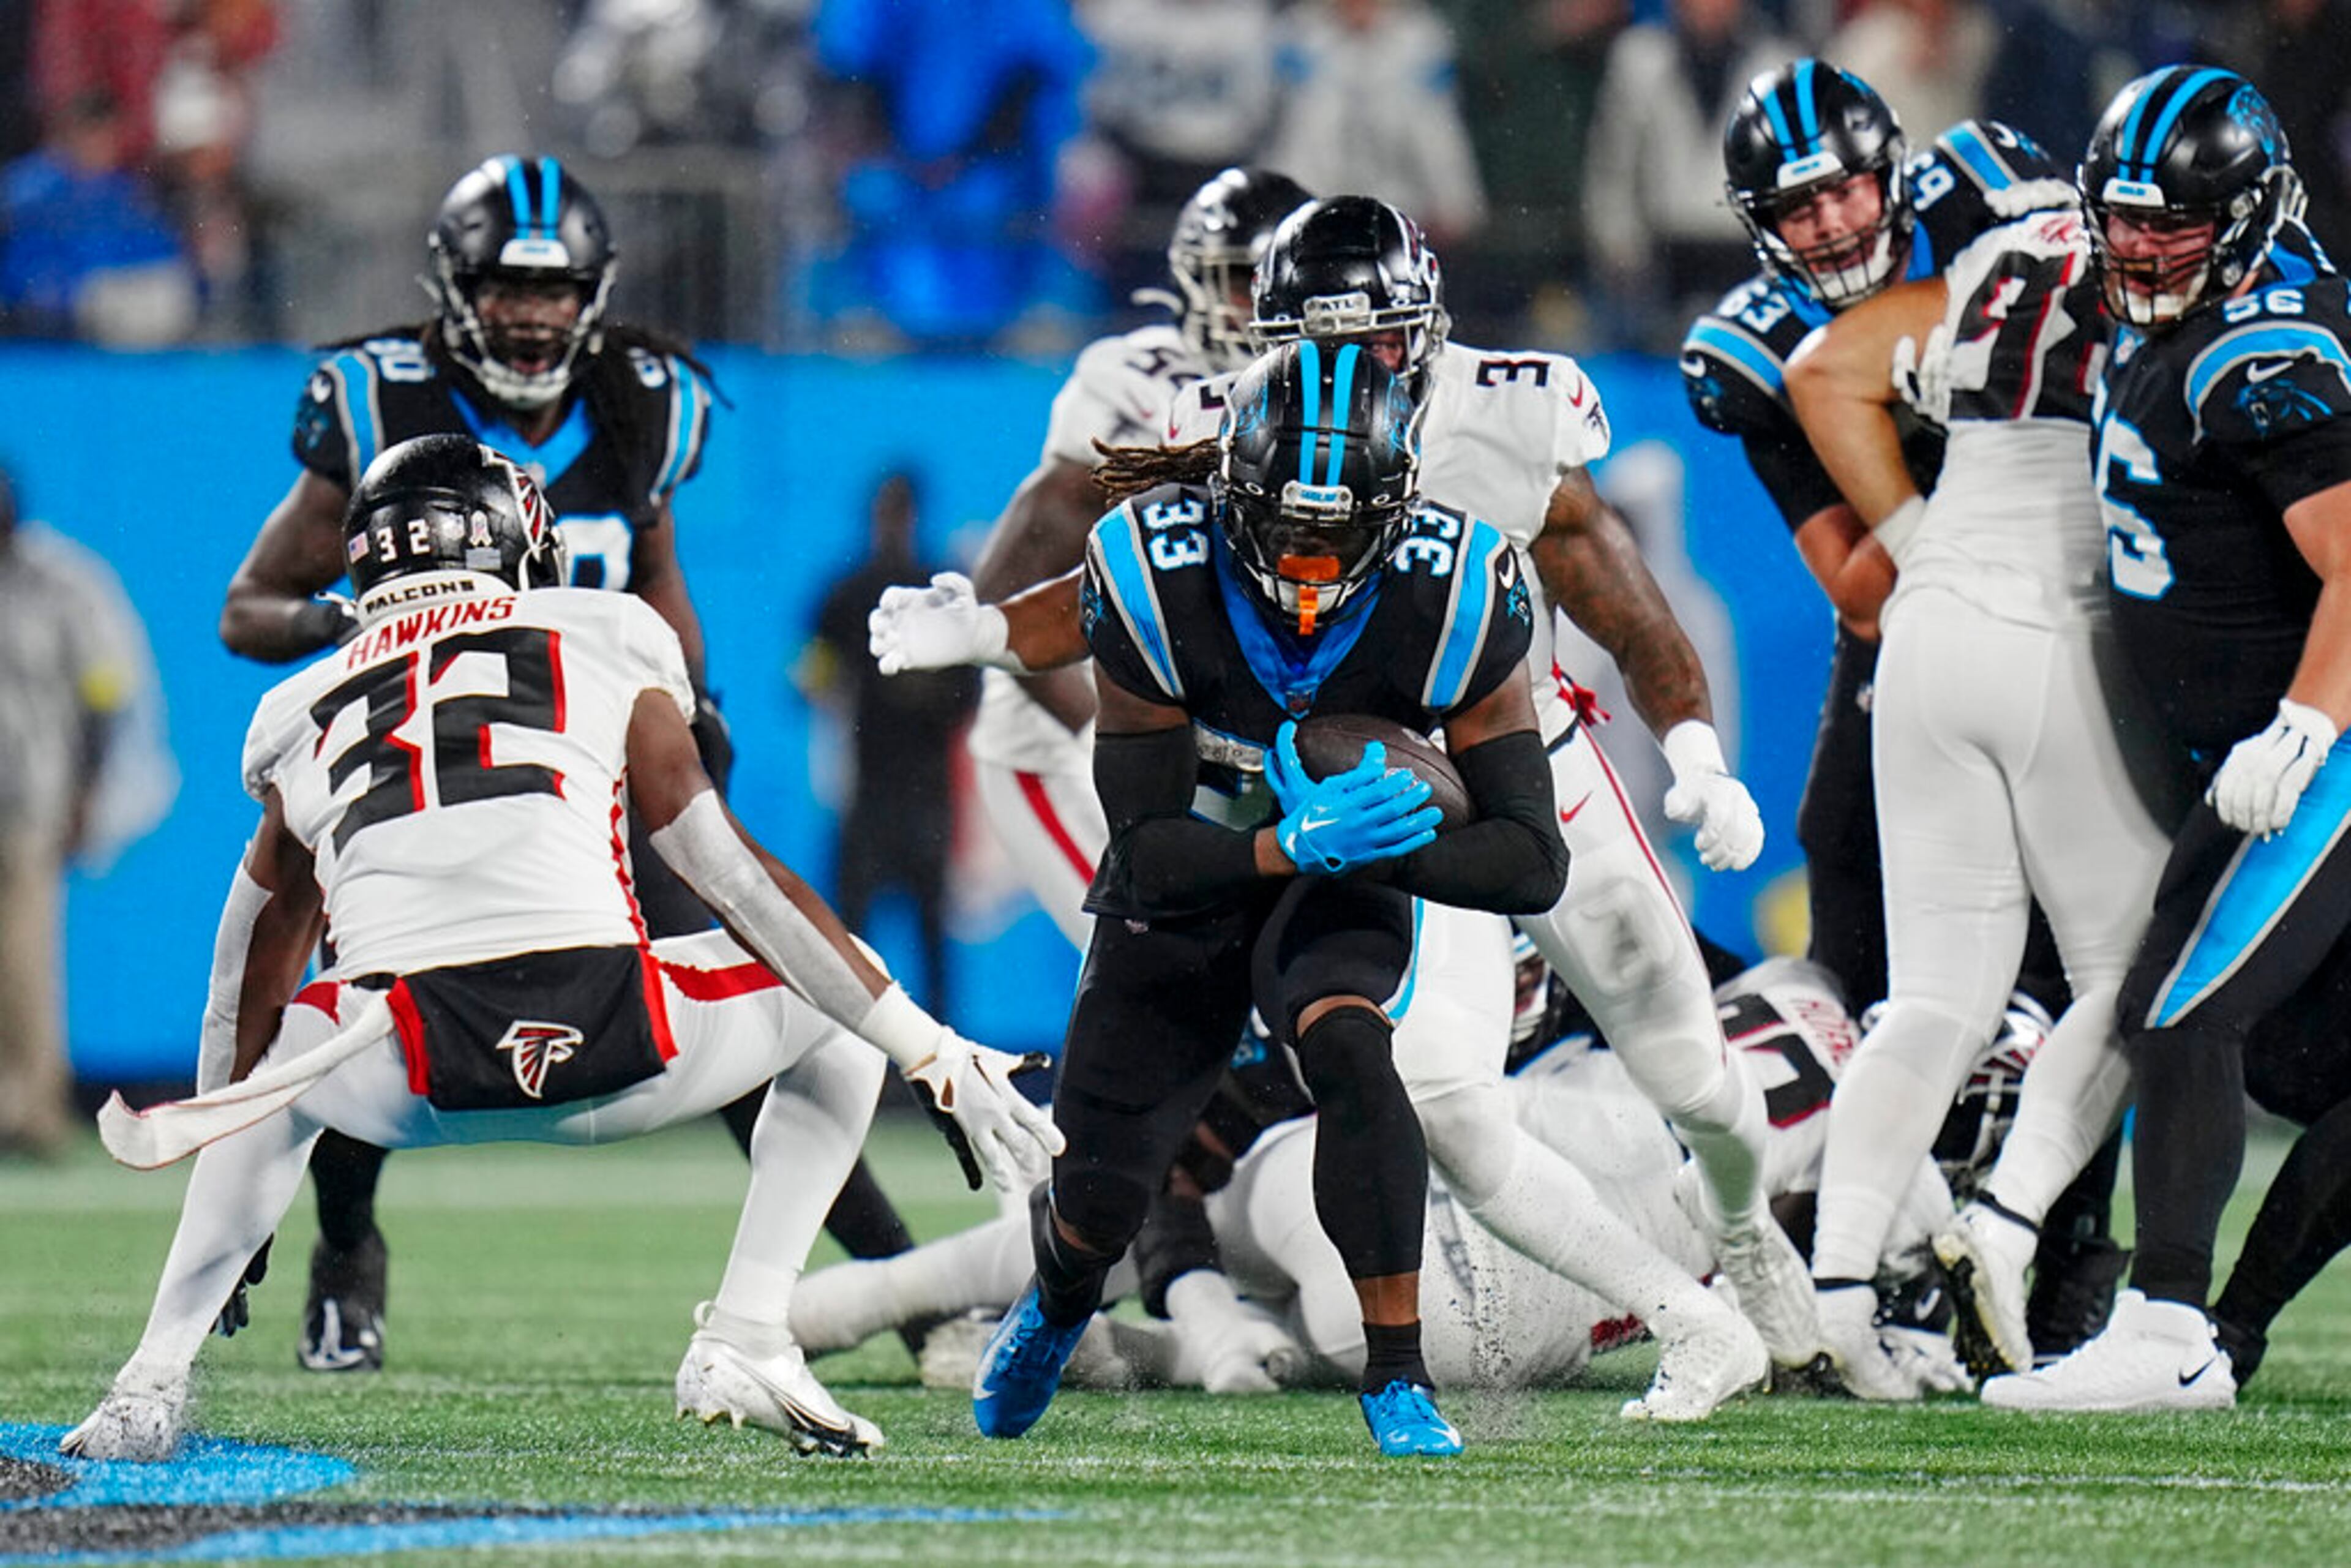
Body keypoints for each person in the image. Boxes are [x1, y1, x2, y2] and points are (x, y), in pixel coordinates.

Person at [880, 195, 1818, 1371]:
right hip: (1369, 796)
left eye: (1373, 336)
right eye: (1319, 340)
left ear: (1424, 326)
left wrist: (1698, 757)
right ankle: (1683, 1320)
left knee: (1689, 1069)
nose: (1349, 365)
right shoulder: (1233, 422)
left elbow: (1624, 607)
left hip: (1528, 761)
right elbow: (1129, 578)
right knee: (1447, 1100)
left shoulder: (1506, 415)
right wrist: (982, 628)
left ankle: (1744, 1228)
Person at [59, 435, 1061, 1463]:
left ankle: (148, 1383)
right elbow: (725, 870)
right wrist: (930, 1050)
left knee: (288, 1041)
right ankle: (749, 1331)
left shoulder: (298, 707)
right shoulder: (603, 629)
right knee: (844, 992)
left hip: (405, 1070)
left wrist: (226, 1162)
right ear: (510, 541)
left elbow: (250, 969)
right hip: (617, 1041)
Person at [210, 154, 852, 1376]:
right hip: (439, 757)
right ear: (456, 290)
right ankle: (346, 1245)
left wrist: (690, 696)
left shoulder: (641, 404)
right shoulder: (385, 403)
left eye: (554, 291)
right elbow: (248, 606)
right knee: (369, 993)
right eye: (507, 286)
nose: (532, 314)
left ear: (592, 296)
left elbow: (657, 572)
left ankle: (891, 1276)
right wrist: (358, 624)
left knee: (751, 962)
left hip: (593, 747)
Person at [970, 342, 1568, 1457]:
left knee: (1349, 1043)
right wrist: (1284, 844)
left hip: (1351, 862)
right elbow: (1143, 851)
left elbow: (1533, 861)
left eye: (1339, 534)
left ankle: (1399, 1375)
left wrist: (1382, 843)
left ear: (1398, 511)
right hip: (1203, 848)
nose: (1309, 563)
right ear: (1229, 496)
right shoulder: (1152, 571)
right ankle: (1056, 1302)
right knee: (1099, 1185)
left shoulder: (1458, 589)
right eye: (1286, 529)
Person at [1685, 65, 2133, 1360]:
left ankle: (2067, 1240)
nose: (1828, 223)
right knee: (1853, 887)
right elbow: (1858, 583)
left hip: (2099, 580)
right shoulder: (1749, 351)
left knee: (2080, 949)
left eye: (1844, 192)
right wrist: (1956, 549)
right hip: (1927, 605)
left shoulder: (1989, 189)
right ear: (1760, 225)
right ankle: (1876, 1244)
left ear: (1893, 173)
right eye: (1797, 208)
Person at [797, 955, 2014, 1399]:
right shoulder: (1895, 1183)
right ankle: (1180, 1345)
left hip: (1375, 1199)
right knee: (1294, 1316)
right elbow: (1840, 1317)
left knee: (1192, 1181)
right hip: (1474, 1328)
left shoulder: (1755, 999)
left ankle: (854, 1302)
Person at [1985, 67, 2351, 1411]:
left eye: (2171, 225)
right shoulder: (2177, 313)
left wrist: (2303, 726)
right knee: (2316, 1064)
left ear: (2247, 218)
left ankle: (2168, 1324)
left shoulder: (2269, 354)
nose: (2138, 249)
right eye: (2122, 221)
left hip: (2324, 742)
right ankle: (2223, 1335)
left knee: (2183, 1001)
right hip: (2267, 737)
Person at [1783, 182, 2172, 1394]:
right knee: (2140, 976)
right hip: (2059, 619)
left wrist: (1914, 540)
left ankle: (1837, 1296)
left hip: (1931, 623)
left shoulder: (2007, 251)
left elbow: (1823, 370)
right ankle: (2004, 1224)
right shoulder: (2176, 254)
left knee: (1934, 997)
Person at [948, 166, 1309, 948]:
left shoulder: (1327, 396)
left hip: (1222, 741)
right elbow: (1006, 580)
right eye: (1241, 280)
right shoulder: (1141, 381)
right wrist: (1138, 743)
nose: (1259, 303)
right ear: (1195, 281)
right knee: (1163, 965)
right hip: (1069, 739)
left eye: (1275, 280)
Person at [0, 467, 151, 1156]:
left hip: (27, 802)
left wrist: (88, 794)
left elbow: (106, 690)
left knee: (22, 962)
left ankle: (31, 1113)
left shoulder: (60, 581)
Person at [800, 470, 978, 1016]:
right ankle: (852, 1041)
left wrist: (924, 692)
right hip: (868, 790)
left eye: (898, 512)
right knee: (854, 934)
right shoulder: (848, 595)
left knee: (931, 933)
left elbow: (969, 691)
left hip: (925, 793)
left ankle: (941, 1046)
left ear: (913, 516)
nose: (892, 523)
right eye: (886, 512)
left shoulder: (939, 595)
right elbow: (811, 676)